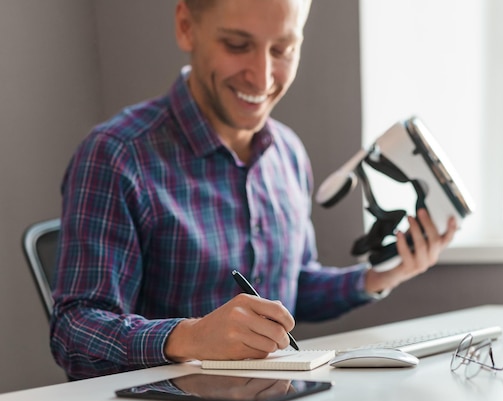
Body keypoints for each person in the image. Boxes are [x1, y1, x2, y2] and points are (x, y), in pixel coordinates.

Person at [50, 0, 457, 380]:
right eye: (237, 44)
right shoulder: (117, 154)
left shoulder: (287, 154)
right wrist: (190, 337)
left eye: (283, 50)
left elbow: (293, 288)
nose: (262, 77)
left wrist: (380, 275)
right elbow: (74, 329)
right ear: (186, 26)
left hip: (270, 398)